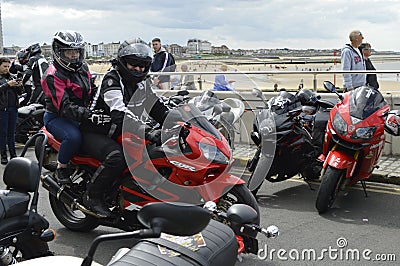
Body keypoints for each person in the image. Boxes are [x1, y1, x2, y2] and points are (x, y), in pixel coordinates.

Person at [80, 38, 170, 217]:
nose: (138, 69)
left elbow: (156, 107)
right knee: (116, 157)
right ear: (122, 62)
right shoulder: (112, 80)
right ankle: (92, 197)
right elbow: (119, 114)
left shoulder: (141, 83)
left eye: (143, 65)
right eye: (133, 64)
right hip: (98, 131)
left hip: (121, 131)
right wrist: (148, 131)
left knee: (154, 153)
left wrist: (178, 121)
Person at [41, 31, 92, 186]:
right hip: (58, 117)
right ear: (58, 52)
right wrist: (88, 114)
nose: (73, 56)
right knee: (73, 137)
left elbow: (93, 89)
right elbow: (64, 106)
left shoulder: (83, 67)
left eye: (76, 51)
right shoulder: (52, 75)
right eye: (69, 52)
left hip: (81, 114)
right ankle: (61, 167)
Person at [0, 57, 23, 164]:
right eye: (4, 66)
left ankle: (13, 154)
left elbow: (20, 92)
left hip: (13, 108)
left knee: (12, 132)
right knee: (3, 133)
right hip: (2, 109)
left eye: (8, 66)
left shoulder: (11, 77)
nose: (7, 69)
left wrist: (19, 85)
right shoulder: (5, 80)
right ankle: (3, 155)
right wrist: (7, 85)